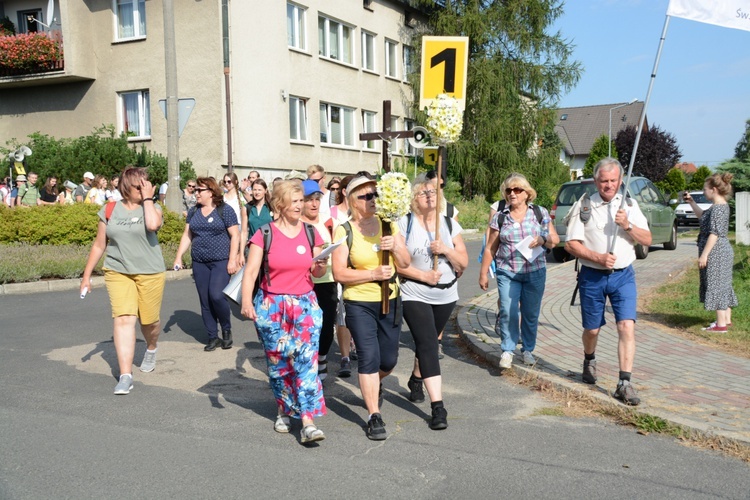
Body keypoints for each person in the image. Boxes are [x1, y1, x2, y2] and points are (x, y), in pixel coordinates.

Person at [240, 180, 328, 444]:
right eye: (295, 201)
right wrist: (247, 301)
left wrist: (321, 265)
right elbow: (252, 271)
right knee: (279, 365)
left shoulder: (312, 233)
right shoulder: (264, 233)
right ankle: (283, 409)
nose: (301, 206)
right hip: (272, 306)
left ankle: (308, 421)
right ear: (280, 204)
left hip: (305, 306)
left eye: (302, 201)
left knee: (306, 363)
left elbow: (317, 272)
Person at [564, 158, 652, 406]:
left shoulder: (630, 205)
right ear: (596, 181)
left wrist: (628, 225)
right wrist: (598, 257)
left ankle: (624, 383)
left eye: (614, 180)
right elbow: (571, 244)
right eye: (604, 181)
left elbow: (647, 238)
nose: (609, 185)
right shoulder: (584, 205)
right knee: (592, 329)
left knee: (626, 326)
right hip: (592, 276)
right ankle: (589, 359)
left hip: (624, 276)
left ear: (620, 180)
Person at [331, 175, 410, 440]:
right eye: (366, 196)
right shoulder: (344, 230)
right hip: (359, 302)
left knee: (388, 360)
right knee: (368, 356)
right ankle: (373, 415)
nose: (373, 200)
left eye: (375, 194)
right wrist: (373, 274)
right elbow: (340, 274)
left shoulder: (389, 224)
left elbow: (406, 262)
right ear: (352, 201)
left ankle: (375, 383)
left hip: (391, 299)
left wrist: (396, 249)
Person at [80, 167, 166, 395]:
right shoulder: (109, 209)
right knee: (124, 318)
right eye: (140, 185)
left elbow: (152, 226)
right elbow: (100, 244)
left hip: (150, 272)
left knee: (149, 322)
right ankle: (125, 375)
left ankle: (151, 346)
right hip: (118, 271)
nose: (145, 187)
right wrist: (87, 276)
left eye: (146, 183)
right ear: (127, 187)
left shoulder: (153, 207)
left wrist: (148, 198)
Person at [398, 175, 469, 430]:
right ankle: (438, 407)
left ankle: (417, 377)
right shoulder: (403, 224)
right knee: (429, 343)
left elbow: (463, 262)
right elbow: (397, 265)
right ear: (414, 199)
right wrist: (423, 275)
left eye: (433, 192)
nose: (429, 195)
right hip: (414, 292)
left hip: (446, 294)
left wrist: (446, 250)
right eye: (423, 192)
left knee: (426, 342)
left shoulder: (449, 224)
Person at [479, 173, 559, 370]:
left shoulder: (539, 213)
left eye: (517, 190)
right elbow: (491, 247)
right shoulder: (500, 217)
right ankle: (507, 349)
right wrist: (482, 273)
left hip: (535, 272)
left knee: (530, 313)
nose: (512, 193)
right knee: (507, 310)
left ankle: (528, 350)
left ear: (527, 193)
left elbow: (555, 240)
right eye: (508, 190)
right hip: (508, 271)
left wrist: (542, 240)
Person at [174, 177, 241, 351]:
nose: (196, 193)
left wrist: (232, 259)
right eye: (195, 190)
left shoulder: (224, 211)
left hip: (220, 261)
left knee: (216, 296)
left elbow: (235, 235)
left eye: (199, 190)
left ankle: (226, 329)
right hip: (199, 262)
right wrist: (178, 256)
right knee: (205, 300)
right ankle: (213, 336)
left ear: (210, 192)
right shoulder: (194, 211)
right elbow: (187, 235)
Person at [685, 173, 738, 332]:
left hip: (717, 252)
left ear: (713, 189)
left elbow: (714, 233)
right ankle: (726, 320)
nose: (703, 192)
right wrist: (692, 202)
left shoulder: (719, 208)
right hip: (721, 251)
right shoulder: (717, 206)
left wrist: (704, 255)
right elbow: (703, 217)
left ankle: (720, 325)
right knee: (723, 285)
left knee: (716, 286)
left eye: (705, 189)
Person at [301, 179, 337, 382]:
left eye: (317, 199)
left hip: (327, 279)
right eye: (309, 200)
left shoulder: (328, 221)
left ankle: (322, 357)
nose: (314, 204)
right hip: (304, 282)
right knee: (307, 325)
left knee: (326, 325)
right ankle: (309, 363)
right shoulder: (296, 223)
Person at [330, 174, 356, 377]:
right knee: (342, 313)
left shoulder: (362, 213)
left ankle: (356, 345)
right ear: (345, 191)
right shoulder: (331, 213)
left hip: (359, 269)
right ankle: (345, 356)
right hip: (338, 268)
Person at [222, 172, 249, 266]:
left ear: (235, 182)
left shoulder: (241, 196)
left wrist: (244, 190)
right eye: (224, 182)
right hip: (224, 228)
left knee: (238, 258)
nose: (227, 184)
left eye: (229, 181)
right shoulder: (222, 197)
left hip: (239, 227)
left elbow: (252, 203)